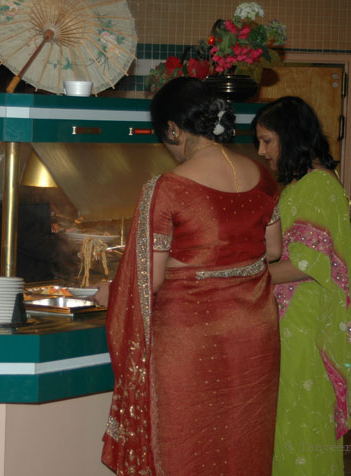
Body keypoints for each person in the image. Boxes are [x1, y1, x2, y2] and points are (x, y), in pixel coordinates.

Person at [101, 77, 282, 475]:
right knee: (244, 437)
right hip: (255, 329)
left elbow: (147, 280)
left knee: (189, 439)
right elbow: (272, 250)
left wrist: (109, 292)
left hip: (193, 333)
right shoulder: (263, 177)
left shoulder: (168, 187)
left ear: (173, 129)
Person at [253, 96, 351, 475]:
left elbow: (304, 265)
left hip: (304, 328)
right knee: (289, 423)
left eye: (267, 141)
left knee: (302, 422)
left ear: (290, 136)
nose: (261, 151)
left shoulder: (318, 186)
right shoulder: (305, 183)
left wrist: (240, 276)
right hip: (293, 322)